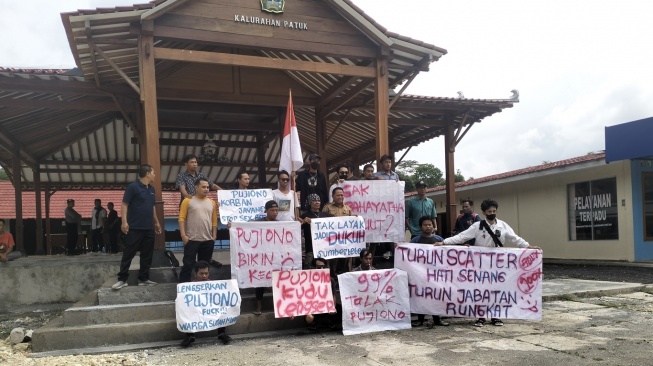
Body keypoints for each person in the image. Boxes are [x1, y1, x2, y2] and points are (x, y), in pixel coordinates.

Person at [437, 199, 541, 327]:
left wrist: (527, 246)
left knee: (497, 289)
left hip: (498, 263)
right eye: (489, 211)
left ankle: (496, 316)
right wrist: (444, 242)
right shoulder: (477, 226)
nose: (492, 213)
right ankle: (481, 317)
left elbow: (514, 238)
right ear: (484, 212)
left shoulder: (503, 225)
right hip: (481, 264)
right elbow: (462, 236)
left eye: (494, 211)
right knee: (481, 290)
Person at [112, 165, 162, 290]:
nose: (155, 175)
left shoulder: (151, 189)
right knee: (128, 253)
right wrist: (124, 222)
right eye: (153, 172)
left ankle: (143, 278)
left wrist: (156, 222)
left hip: (148, 228)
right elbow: (124, 204)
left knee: (147, 254)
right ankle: (122, 279)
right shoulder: (132, 187)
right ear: (147, 174)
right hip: (134, 227)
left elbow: (152, 207)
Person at [180, 260, 232, 347]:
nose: (204, 276)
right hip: (196, 311)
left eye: (206, 273)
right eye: (201, 273)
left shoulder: (214, 286)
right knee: (185, 310)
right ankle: (190, 336)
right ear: (195, 274)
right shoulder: (189, 287)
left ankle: (221, 334)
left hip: (210, 310)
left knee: (223, 307)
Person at [409, 216, 449, 327]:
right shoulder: (415, 240)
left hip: (436, 275)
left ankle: (437, 320)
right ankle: (420, 320)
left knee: (435, 297)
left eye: (429, 224)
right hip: (420, 274)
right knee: (421, 297)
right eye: (425, 225)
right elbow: (408, 253)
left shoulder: (440, 240)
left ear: (433, 226)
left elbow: (450, 251)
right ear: (421, 227)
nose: (428, 227)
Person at [178, 177, 218, 283]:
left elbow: (214, 221)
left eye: (208, 187)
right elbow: (182, 218)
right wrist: (183, 235)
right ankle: (183, 287)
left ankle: (203, 287)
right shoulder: (187, 201)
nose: (206, 189)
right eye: (203, 187)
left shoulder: (212, 203)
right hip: (191, 239)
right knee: (188, 265)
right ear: (196, 188)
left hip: (207, 240)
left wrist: (214, 236)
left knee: (204, 267)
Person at [251, 200, 280, 315]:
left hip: (276, 258)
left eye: (277, 210)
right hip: (261, 258)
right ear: (266, 211)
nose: (275, 213)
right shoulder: (257, 223)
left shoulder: (280, 224)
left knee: (278, 281)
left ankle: (279, 304)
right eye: (272, 210)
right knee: (260, 281)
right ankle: (259, 305)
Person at [323, 187, 354, 274]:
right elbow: (322, 223)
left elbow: (351, 224)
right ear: (333, 196)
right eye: (338, 195)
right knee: (332, 260)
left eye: (341, 195)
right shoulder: (327, 208)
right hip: (332, 241)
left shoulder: (347, 208)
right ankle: (333, 276)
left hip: (344, 240)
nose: (340, 197)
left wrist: (355, 219)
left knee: (344, 260)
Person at [304, 257, 339, 331]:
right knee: (309, 318)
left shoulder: (331, 280)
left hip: (326, 308)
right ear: (314, 268)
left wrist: (333, 307)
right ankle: (314, 323)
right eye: (319, 267)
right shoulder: (307, 281)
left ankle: (330, 323)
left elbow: (334, 295)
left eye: (324, 267)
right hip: (313, 308)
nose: (322, 269)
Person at [300, 194, 332, 269]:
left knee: (325, 270)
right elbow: (297, 228)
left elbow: (337, 222)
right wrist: (303, 221)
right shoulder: (305, 215)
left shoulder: (325, 215)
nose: (317, 202)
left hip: (324, 249)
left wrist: (352, 218)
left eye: (318, 200)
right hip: (311, 249)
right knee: (309, 270)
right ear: (310, 203)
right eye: (314, 201)